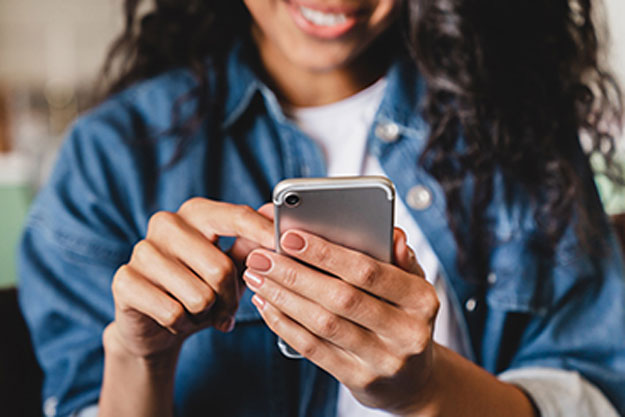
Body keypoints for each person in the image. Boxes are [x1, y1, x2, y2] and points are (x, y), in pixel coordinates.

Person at [17, 1, 625, 416]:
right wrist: (137, 354)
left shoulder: (514, 124)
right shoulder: (112, 156)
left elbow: (593, 393)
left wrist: (426, 391)